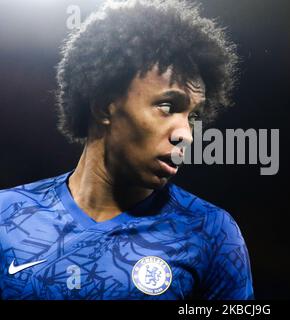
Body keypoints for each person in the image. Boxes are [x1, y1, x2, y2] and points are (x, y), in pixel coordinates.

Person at [0, 0, 254, 300]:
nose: (186, 134)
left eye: (193, 117)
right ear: (104, 105)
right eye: (167, 106)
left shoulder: (212, 234)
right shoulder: (6, 217)